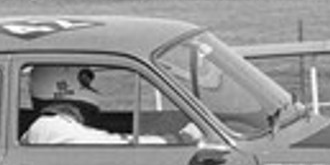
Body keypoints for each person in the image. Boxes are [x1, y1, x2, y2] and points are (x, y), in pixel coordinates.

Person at [20, 65, 202, 146]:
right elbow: (111, 145)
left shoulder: (51, 126)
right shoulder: (50, 127)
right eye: (85, 81)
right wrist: (177, 140)